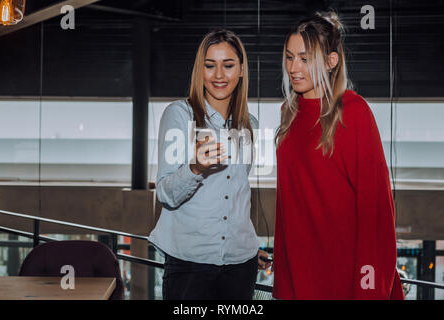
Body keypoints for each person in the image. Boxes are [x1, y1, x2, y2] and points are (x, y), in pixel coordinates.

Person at [272, 12, 404, 299]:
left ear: (331, 61)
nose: (294, 67)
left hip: (347, 279)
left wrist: (368, 288)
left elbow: (376, 211)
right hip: (299, 278)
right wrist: (283, 283)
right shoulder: (288, 113)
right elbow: (286, 208)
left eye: (305, 59)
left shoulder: (354, 112)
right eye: (289, 56)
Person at [148, 29, 272, 300]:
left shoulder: (250, 126)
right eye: (210, 65)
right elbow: (166, 194)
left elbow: (236, 196)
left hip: (241, 265)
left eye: (228, 65)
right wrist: (194, 168)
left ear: (241, 70)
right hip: (189, 264)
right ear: (199, 70)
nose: (219, 75)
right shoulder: (179, 115)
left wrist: (249, 248)